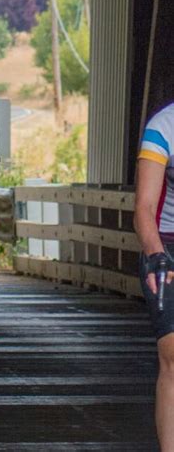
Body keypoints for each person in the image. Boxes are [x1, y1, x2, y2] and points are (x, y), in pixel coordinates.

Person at [134, 103, 174, 451]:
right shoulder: (164, 125)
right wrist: (155, 253)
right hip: (167, 243)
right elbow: (144, 207)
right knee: (173, 355)